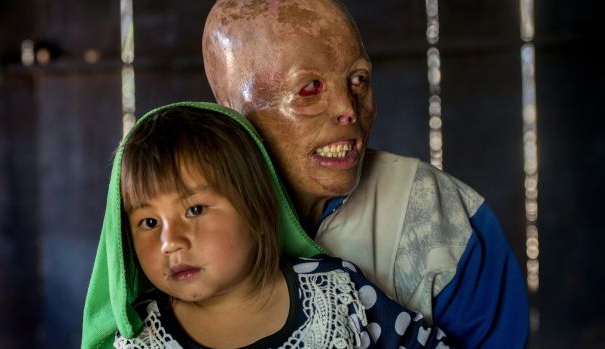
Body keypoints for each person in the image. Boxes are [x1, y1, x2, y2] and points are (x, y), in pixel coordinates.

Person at [202, 1, 529, 348]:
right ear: (232, 109)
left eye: (358, 79)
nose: (348, 108)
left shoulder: (439, 216)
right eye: (310, 88)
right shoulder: (182, 224)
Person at [81, 102, 455, 348]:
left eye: (194, 210)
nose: (170, 241)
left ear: (256, 211)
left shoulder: (339, 292)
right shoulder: (142, 340)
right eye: (148, 221)